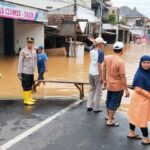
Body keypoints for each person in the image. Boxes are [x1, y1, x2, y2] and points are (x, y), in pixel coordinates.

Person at [103, 41, 130, 126]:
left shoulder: (106, 58)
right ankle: (110, 120)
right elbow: (123, 77)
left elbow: (103, 70)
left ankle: (108, 116)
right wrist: (126, 90)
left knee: (109, 100)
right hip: (117, 87)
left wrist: (104, 81)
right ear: (122, 50)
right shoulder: (120, 62)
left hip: (109, 85)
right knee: (114, 103)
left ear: (113, 49)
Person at [127, 55, 150, 145]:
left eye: (148, 63)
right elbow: (137, 88)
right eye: (144, 63)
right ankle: (146, 139)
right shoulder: (140, 74)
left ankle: (131, 133)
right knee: (142, 119)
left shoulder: (147, 72)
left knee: (134, 116)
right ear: (140, 63)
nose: (146, 65)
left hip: (139, 99)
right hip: (142, 99)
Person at [87, 37, 106, 113]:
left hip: (90, 72)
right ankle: (96, 108)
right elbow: (99, 65)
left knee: (91, 89)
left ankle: (89, 105)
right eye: (102, 43)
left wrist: (94, 42)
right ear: (100, 44)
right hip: (97, 74)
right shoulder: (101, 52)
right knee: (98, 92)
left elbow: (92, 46)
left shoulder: (91, 50)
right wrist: (102, 77)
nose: (103, 44)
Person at [18, 37, 37, 105]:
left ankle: (29, 98)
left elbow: (35, 61)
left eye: (31, 42)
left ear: (33, 43)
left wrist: (35, 70)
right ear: (27, 43)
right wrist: (19, 73)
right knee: (26, 86)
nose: (29, 44)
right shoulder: (23, 51)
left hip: (31, 72)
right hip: (25, 72)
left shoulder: (34, 51)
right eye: (28, 42)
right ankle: (26, 100)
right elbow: (20, 62)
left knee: (30, 85)